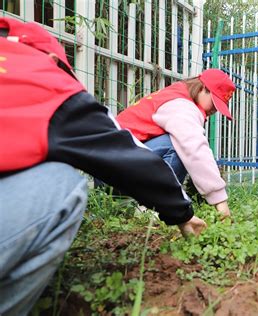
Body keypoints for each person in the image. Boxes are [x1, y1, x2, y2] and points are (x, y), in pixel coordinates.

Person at [0, 17, 206, 315]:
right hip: (122, 167)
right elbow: (127, 150)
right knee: (63, 184)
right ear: (52, 58)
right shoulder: (42, 78)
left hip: (114, 172)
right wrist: (183, 212)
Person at [116, 69, 236, 218]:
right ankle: (152, 207)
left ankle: (146, 203)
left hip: (114, 167)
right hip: (116, 171)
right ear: (202, 88)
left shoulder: (175, 95)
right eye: (215, 101)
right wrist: (220, 202)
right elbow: (195, 149)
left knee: (179, 142)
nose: (215, 109)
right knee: (178, 145)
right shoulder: (181, 105)